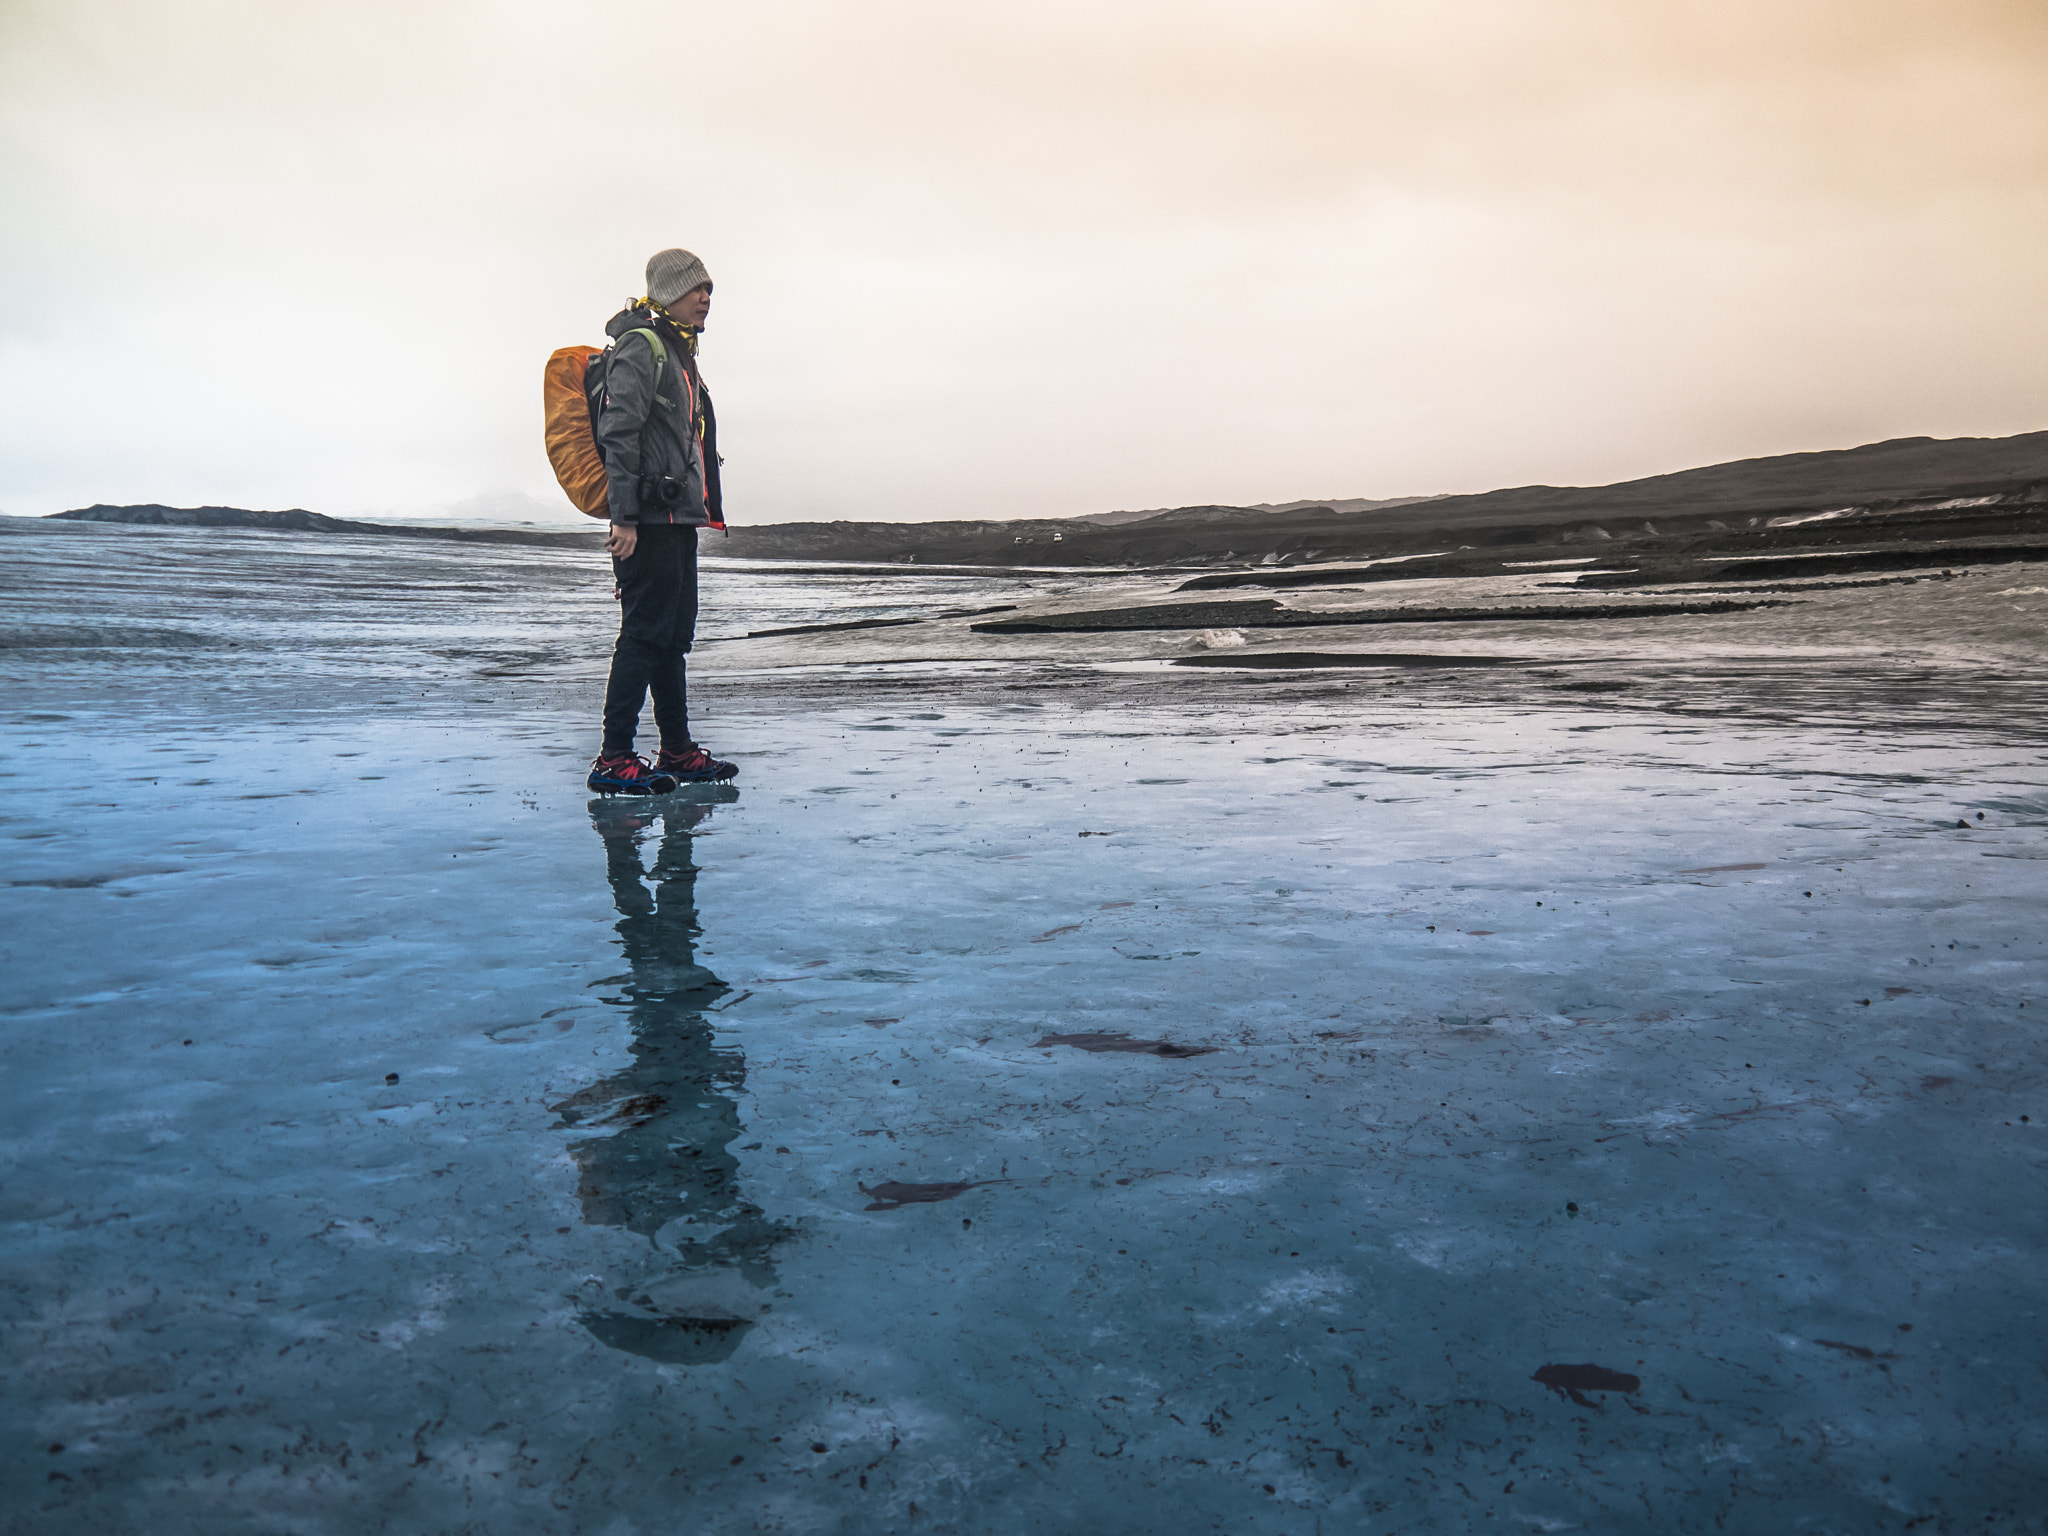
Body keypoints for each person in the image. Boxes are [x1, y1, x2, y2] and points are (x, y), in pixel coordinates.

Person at [586, 247, 740, 795]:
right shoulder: (641, 346)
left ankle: (676, 749)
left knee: (673, 637)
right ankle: (614, 757)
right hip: (646, 520)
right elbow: (618, 434)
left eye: (710, 292)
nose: (706, 299)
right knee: (643, 636)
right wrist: (623, 517)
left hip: (677, 520)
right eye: (698, 289)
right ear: (670, 290)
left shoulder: (681, 355)